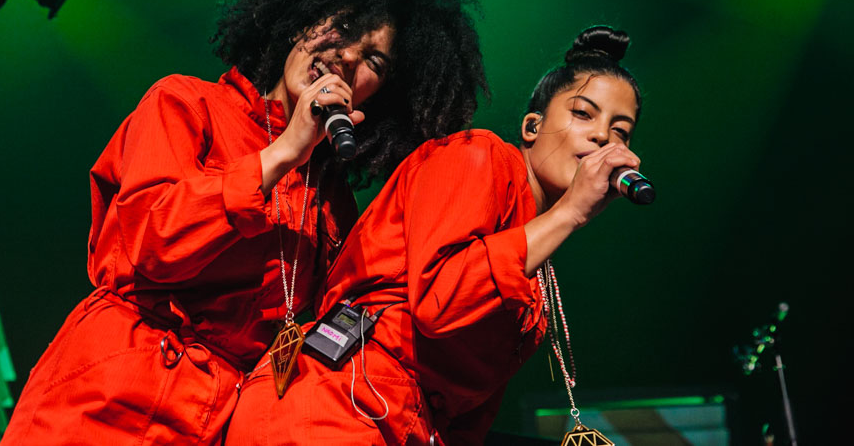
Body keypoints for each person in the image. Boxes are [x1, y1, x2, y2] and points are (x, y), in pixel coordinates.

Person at [0, 0, 488, 445]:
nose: (348, 56)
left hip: (220, 422)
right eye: (344, 26)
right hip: (108, 401)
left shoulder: (331, 202)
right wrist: (282, 153)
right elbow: (151, 241)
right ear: (303, 15)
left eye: (375, 60)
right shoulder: (186, 103)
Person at [225, 25, 644, 445]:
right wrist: (570, 213)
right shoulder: (478, 156)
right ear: (532, 126)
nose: (602, 136)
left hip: (403, 426)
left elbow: (471, 409)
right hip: (336, 407)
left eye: (621, 130)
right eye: (583, 113)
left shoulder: (537, 258)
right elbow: (439, 302)